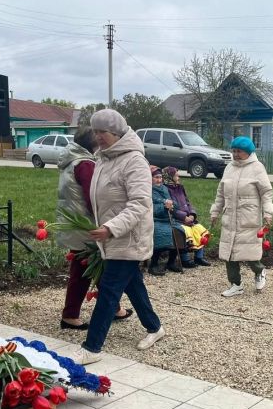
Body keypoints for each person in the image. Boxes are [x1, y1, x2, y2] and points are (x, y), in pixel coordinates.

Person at [74, 109, 165, 364]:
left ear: (116, 132)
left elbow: (139, 203)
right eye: (95, 131)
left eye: (102, 131)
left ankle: (92, 348)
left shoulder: (134, 161)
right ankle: (155, 328)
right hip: (112, 236)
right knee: (133, 286)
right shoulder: (104, 157)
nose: (97, 136)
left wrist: (110, 228)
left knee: (109, 290)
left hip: (128, 237)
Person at [56, 127, 132, 330]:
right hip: (86, 225)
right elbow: (94, 197)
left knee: (97, 268)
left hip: (76, 221)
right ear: (92, 144)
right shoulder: (85, 164)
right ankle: (70, 315)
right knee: (85, 270)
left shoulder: (71, 161)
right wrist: (107, 221)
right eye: (98, 139)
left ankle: (113, 308)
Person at [210, 136, 273, 297]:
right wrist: (215, 212)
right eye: (233, 151)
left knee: (249, 252)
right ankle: (236, 284)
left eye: (239, 151)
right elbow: (220, 193)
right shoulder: (229, 168)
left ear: (248, 152)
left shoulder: (257, 168)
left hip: (248, 218)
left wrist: (268, 213)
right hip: (230, 216)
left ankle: (259, 271)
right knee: (229, 253)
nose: (235, 154)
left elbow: (266, 192)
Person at [163, 166, 211, 267]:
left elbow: (187, 202)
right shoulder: (166, 189)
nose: (178, 177)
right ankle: (185, 260)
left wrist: (192, 214)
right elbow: (172, 208)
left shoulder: (180, 187)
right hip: (176, 219)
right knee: (185, 232)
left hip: (188, 217)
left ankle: (199, 257)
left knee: (199, 230)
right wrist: (184, 217)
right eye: (176, 175)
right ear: (170, 176)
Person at [148, 165, 180, 276]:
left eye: (160, 177)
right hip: (155, 219)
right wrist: (164, 207)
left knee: (179, 231)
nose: (159, 180)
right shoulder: (147, 190)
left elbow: (174, 202)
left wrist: (172, 206)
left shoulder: (165, 189)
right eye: (156, 177)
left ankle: (171, 262)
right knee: (161, 234)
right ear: (150, 178)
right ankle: (153, 265)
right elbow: (150, 208)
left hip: (168, 219)